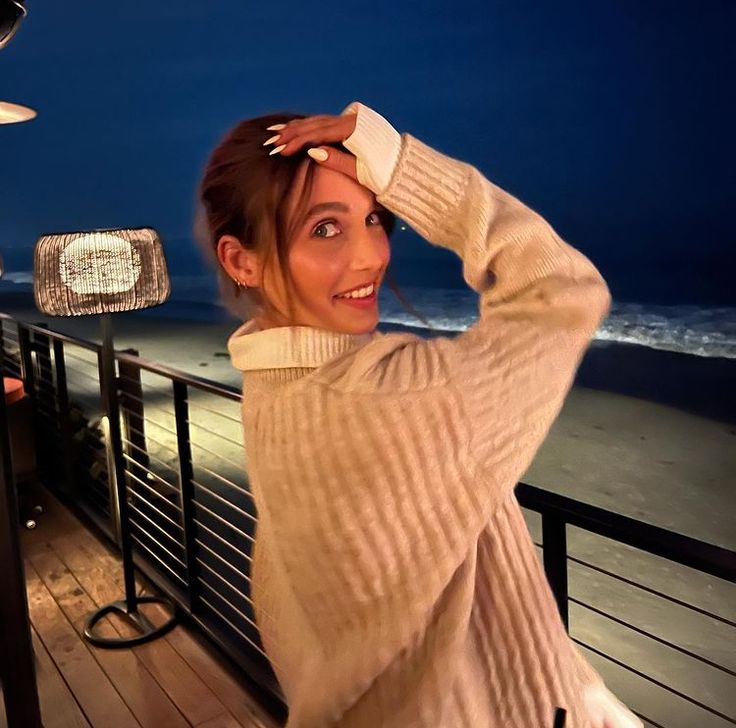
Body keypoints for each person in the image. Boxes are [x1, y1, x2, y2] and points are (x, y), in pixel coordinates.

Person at [197, 101, 643, 728]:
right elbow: (563, 290)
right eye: (325, 228)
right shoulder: (387, 400)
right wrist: (401, 163)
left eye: (376, 217)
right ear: (241, 260)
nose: (371, 256)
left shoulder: (273, 391)